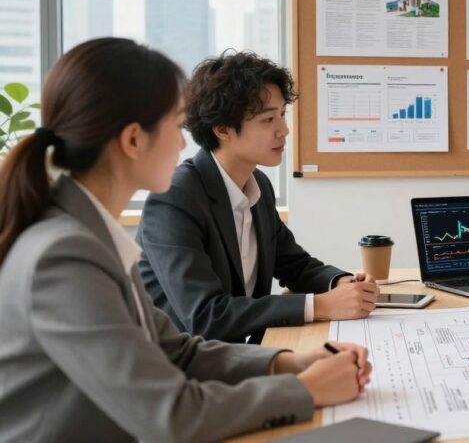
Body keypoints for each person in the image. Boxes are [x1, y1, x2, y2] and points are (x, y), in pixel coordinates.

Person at [0, 38, 371, 442]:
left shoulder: (88, 236)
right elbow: (171, 416)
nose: (182, 144)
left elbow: (177, 350)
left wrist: (289, 363)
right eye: (176, 126)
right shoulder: (64, 256)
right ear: (133, 140)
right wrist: (307, 390)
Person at [137, 51, 378, 344]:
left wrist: (341, 282)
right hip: (180, 363)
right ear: (222, 129)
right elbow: (206, 316)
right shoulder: (174, 198)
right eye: (268, 119)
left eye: (282, 115)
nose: (284, 130)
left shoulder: (258, 185)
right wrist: (321, 306)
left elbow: (294, 265)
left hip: (235, 353)